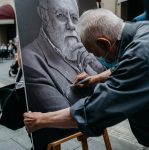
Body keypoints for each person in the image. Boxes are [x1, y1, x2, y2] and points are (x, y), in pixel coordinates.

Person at [24, 8, 149, 147]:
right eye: (60, 16)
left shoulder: (140, 55)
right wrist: (95, 78)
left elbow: (97, 109)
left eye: (97, 53)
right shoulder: (143, 29)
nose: (98, 58)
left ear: (105, 43)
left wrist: (41, 120)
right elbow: (127, 67)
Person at [21, 0, 104, 149]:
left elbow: (111, 85)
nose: (71, 25)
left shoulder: (85, 52)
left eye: (74, 18)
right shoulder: (31, 60)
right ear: (44, 16)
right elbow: (70, 119)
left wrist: (93, 66)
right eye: (61, 16)